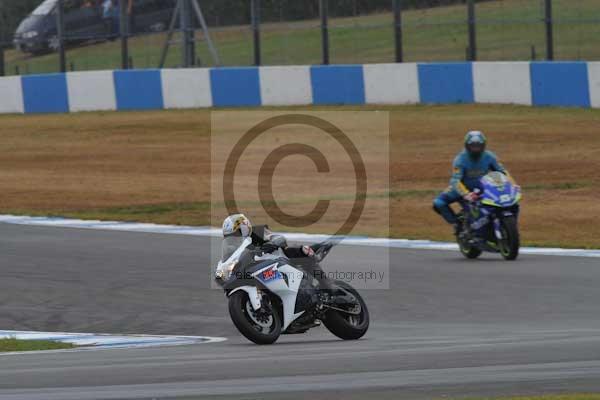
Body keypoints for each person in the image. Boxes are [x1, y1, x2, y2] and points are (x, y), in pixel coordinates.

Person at [433, 131, 517, 235]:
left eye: (478, 146)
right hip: (463, 188)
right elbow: (455, 180)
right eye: (473, 146)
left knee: (511, 202)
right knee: (438, 203)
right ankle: (457, 223)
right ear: (467, 146)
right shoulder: (460, 160)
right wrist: (466, 194)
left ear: (483, 145)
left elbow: (502, 171)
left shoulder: (490, 156)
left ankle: (507, 226)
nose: (476, 149)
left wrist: (512, 184)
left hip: (484, 188)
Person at [221, 214, 332, 288]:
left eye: (235, 234)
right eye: (230, 236)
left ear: (244, 228)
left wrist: (271, 244)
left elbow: (278, 238)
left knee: (298, 251)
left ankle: (327, 285)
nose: (233, 238)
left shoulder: (257, 232)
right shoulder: (233, 248)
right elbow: (228, 261)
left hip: (280, 260)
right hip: (260, 272)